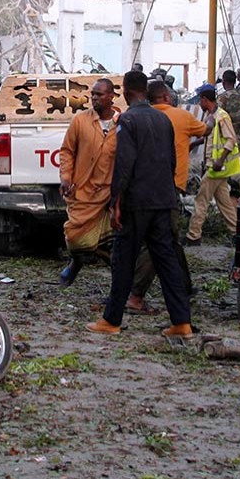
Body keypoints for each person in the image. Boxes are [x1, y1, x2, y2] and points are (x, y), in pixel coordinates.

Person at [86, 71, 193, 339]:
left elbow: (124, 164)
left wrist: (116, 202)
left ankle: (111, 320)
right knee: (166, 260)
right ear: (144, 90)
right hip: (164, 200)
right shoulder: (163, 119)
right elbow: (171, 161)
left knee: (123, 261)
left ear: (124, 91)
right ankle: (181, 322)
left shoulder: (128, 120)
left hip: (137, 202)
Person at [127, 81, 211, 314]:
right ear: (166, 96)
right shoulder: (180, 116)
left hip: (142, 185)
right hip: (169, 187)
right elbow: (206, 130)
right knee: (160, 240)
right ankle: (135, 295)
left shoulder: (139, 117)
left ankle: (184, 286)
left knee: (171, 240)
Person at [58, 78, 119, 285]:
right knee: (75, 237)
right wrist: (66, 177)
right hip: (83, 192)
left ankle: (119, 279)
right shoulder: (80, 121)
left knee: (111, 240)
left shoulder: (122, 124)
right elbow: (67, 151)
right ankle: (76, 262)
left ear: (111, 96)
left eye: (99, 94)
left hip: (109, 195)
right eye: (92, 94)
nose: (94, 98)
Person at [185, 83, 240, 246]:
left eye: (200, 101)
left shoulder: (221, 117)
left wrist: (220, 160)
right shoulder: (211, 115)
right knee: (225, 203)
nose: (199, 105)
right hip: (216, 169)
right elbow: (210, 137)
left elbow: (231, 140)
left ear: (204, 99)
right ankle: (236, 233)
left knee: (201, 200)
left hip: (217, 168)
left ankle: (193, 236)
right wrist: (195, 144)